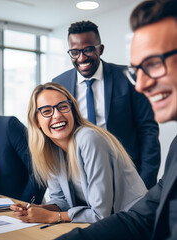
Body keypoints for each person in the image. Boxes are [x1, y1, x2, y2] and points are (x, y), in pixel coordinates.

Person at [57, 0, 177, 239]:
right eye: (137, 70)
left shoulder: (122, 80)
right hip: (87, 188)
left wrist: (142, 185)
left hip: (129, 182)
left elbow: (147, 132)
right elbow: (138, 219)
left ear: (100, 49)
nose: (141, 84)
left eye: (153, 63)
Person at [10, 82, 147, 224]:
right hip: (110, 225)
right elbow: (63, 201)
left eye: (63, 107)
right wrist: (39, 209)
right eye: (46, 111)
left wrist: (50, 217)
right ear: (36, 121)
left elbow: (100, 214)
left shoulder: (89, 139)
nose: (57, 115)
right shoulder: (51, 150)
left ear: (73, 111)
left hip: (136, 222)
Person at [52, 20, 160, 189]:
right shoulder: (59, 84)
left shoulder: (128, 78)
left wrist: (145, 182)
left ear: (100, 49)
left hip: (127, 177)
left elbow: (148, 131)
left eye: (88, 50)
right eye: (74, 52)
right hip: (81, 180)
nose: (81, 58)